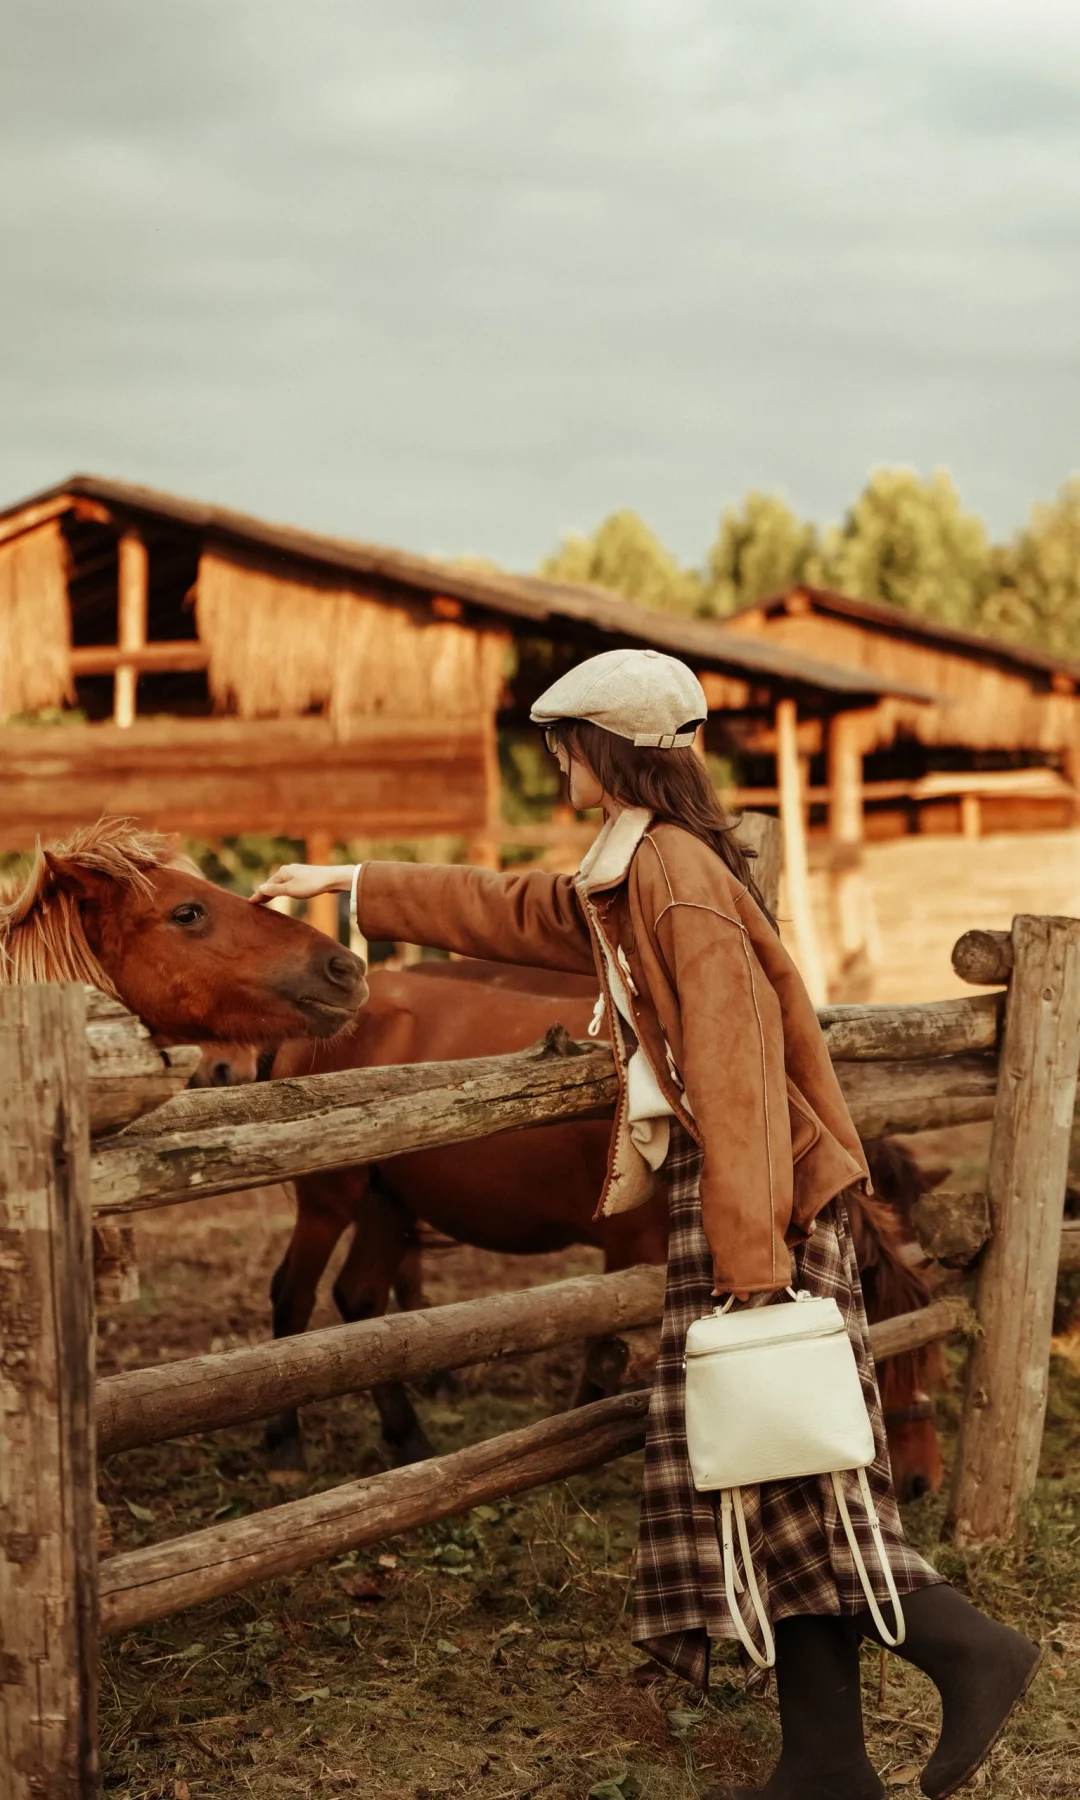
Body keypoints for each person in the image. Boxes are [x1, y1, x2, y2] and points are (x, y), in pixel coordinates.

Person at [255, 647, 1041, 1800]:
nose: (557, 761)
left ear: (602, 747)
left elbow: (735, 1078)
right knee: (772, 1483)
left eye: (564, 742)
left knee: (797, 1479)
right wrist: (350, 881)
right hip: (740, 1211)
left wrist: (753, 1265)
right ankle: (824, 1759)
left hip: (761, 1212)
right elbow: (514, 907)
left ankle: (973, 1652)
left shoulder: (670, 879)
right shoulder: (646, 864)